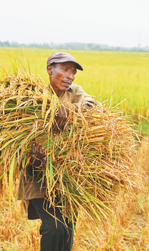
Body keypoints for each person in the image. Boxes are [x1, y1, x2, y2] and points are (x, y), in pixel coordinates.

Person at [17, 52, 95, 251]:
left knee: (68, 228)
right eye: (66, 70)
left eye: (73, 72)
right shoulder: (34, 94)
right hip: (37, 171)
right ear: (50, 69)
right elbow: (21, 127)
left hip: (67, 171)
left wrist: (70, 110)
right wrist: (32, 153)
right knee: (54, 227)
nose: (70, 76)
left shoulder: (74, 92)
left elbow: (93, 105)